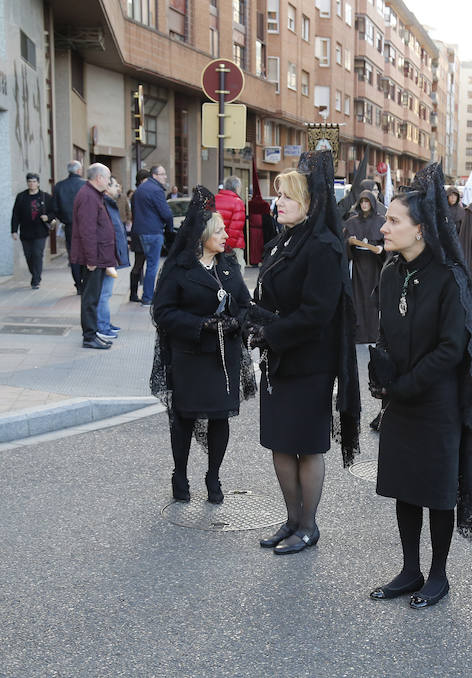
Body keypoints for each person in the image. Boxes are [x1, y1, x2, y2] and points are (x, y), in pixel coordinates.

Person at [367, 163, 472, 609]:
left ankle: (438, 575)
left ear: (421, 230)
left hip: (438, 401)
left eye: (393, 221)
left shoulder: (449, 277)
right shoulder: (389, 272)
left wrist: (406, 384)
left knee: (437, 490)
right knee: (406, 487)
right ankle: (410, 568)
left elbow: (451, 349)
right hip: (401, 399)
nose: (384, 227)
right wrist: (382, 372)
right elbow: (385, 331)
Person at [247, 152, 360, 555]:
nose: (278, 204)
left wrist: (270, 331)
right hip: (278, 359)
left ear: (308, 204)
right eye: (278, 197)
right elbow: (270, 298)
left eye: (286, 198)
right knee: (279, 443)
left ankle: (308, 526)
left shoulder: (326, 247)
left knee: (307, 446)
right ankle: (291, 519)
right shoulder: (283, 242)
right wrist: (250, 317)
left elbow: (317, 313)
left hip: (309, 363)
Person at [151, 187, 255, 504]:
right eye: (220, 231)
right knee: (183, 418)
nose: (226, 235)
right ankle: (179, 474)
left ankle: (213, 476)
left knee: (220, 418)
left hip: (224, 360)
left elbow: (244, 303)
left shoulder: (229, 265)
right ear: (203, 235)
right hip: (190, 356)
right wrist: (201, 324)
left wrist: (239, 320)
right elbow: (163, 312)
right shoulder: (179, 269)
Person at [71, 163, 117, 350]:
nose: (109, 181)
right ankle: (89, 336)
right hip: (94, 258)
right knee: (90, 298)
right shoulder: (88, 196)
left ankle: (92, 333)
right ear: (98, 178)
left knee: (94, 297)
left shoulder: (93, 194)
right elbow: (87, 231)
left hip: (99, 256)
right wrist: (91, 259)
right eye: (108, 177)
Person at [343, 189, 386, 343]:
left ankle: (373, 333)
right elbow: (345, 242)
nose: (364, 204)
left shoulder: (381, 221)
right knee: (358, 299)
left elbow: (386, 242)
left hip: (375, 264)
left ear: (372, 203)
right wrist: (349, 242)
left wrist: (382, 248)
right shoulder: (352, 221)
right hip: (358, 265)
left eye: (367, 201)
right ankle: (360, 334)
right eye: (362, 202)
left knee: (373, 298)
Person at [131, 165, 174, 307]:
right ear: (155, 175)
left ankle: (147, 295)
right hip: (153, 231)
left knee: (149, 264)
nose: (165, 177)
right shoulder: (156, 190)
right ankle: (148, 297)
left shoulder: (140, 190)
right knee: (152, 266)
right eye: (163, 174)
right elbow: (166, 213)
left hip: (141, 232)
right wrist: (169, 228)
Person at [97, 177, 130, 340]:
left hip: (111, 256)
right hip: (107, 257)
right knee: (104, 293)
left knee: (106, 293)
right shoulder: (104, 204)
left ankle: (104, 322)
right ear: (107, 187)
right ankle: (101, 326)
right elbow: (107, 234)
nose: (119, 188)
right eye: (116, 185)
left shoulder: (109, 203)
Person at [10, 173, 54, 290]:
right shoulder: (21, 197)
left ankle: (36, 279)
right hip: (25, 232)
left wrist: (48, 217)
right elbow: (15, 215)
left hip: (40, 232)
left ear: (38, 183)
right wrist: (14, 230)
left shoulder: (46, 197)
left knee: (37, 254)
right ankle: (34, 273)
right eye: (29, 181)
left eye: (34, 181)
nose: (32, 184)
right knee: (28, 255)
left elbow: (54, 212)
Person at [51, 160, 86, 294]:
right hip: (84, 224)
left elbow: (55, 208)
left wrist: (64, 219)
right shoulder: (85, 185)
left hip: (69, 225)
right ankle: (84, 279)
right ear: (78, 171)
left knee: (74, 254)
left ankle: (78, 283)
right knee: (86, 251)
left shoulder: (59, 186)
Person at [215, 176, 247, 274]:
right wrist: (227, 247)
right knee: (237, 270)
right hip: (234, 246)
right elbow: (235, 229)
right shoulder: (237, 202)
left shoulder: (214, 199)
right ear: (237, 188)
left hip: (215, 243)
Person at [128, 170, 151, 302]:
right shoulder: (140, 194)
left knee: (139, 263)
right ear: (142, 179)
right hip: (141, 232)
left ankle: (134, 293)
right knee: (139, 264)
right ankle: (134, 293)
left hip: (137, 231)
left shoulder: (136, 194)